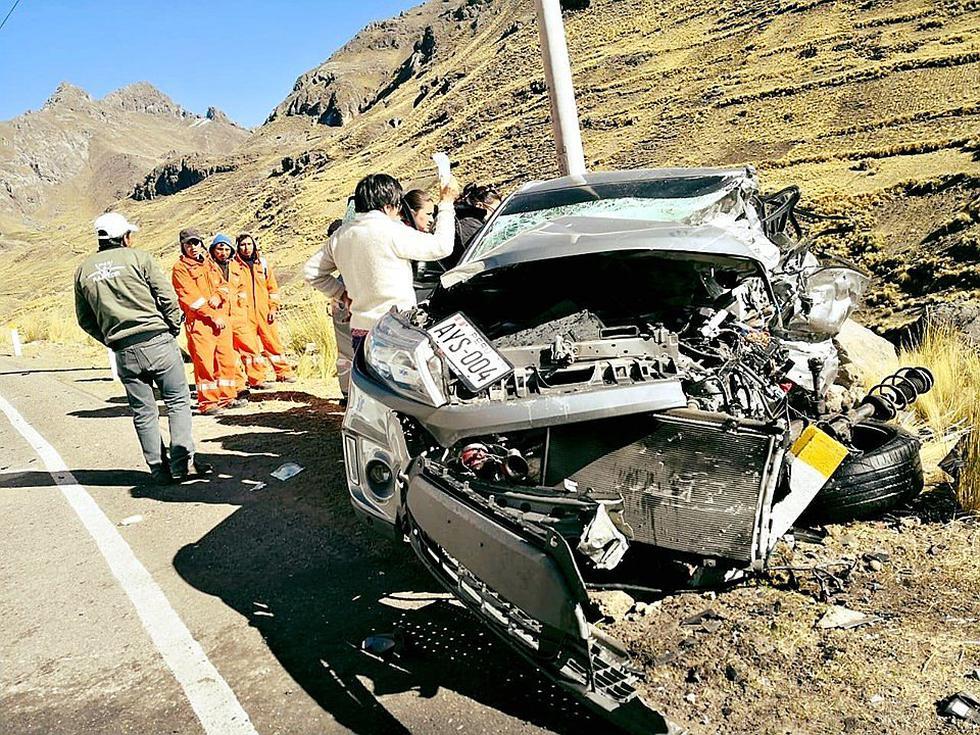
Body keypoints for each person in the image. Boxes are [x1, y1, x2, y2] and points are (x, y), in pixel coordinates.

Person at [74, 212, 206, 483]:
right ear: (124, 237)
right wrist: (172, 327)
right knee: (177, 401)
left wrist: (112, 339)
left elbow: (85, 320)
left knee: (143, 411)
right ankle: (182, 464)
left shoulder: (83, 271)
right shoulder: (140, 258)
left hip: (123, 351)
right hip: (157, 340)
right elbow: (167, 297)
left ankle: (158, 469)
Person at [305, 173, 460, 355]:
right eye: (397, 207)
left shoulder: (341, 235)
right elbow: (441, 247)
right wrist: (446, 204)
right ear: (387, 206)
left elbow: (312, 272)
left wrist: (341, 293)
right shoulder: (391, 231)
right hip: (397, 328)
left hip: (361, 333)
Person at [171, 228, 240, 415]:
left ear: (201, 244)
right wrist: (211, 315)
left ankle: (227, 397)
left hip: (221, 319)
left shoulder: (209, 263)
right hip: (200, 323)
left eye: (196, 243)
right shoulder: (180, 268)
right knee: (205, 363)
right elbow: (190, 297)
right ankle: (208, 402)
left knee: (225, 359)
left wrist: (219, 296)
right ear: (183, 246)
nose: (193, 247)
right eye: (189, 244)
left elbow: (223, 285)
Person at [208, 233, 269, 393]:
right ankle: (238, 385)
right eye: (219, 248)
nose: (223, 252)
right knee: (229, 353)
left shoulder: (235, 267)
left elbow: (242, 286)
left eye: (226, 249)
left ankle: (257, 378)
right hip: (221, 316)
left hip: (239, 316)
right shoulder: (209, 268)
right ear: (213, 250)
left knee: (250, 348)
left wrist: (242, 302)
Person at [235, 232, 296, 383]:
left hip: (265, 312)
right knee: (249, 348)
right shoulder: (234, 266)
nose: (246, 248)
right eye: (243, 245)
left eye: (249, 244)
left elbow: (272, 289)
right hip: (245, 314)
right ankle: (257, 378)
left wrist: (273, 308)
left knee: (273, 343)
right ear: (237, 247)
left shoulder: (262, 264)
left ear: (254, 245)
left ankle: (283, 372)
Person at [442, 182, 502, 269]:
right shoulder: (468, 225)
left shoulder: (477, 219)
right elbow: (483, 252)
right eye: (495, 210)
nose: (498, 215)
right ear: (480, 205)